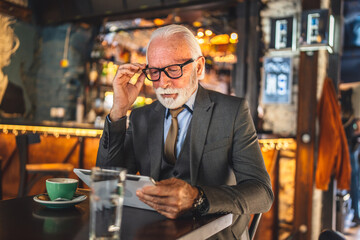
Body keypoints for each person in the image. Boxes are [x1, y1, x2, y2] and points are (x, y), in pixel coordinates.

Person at [96, 24, 273, 239]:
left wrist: (198, 198)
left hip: (215, 234)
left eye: (173, 69)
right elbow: (109, 183)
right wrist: (119, 111)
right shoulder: (140, 116)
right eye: (155, 72)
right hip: (155, 231)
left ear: (198, 68)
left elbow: (262, 193)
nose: (163, 82)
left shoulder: (232, 111)